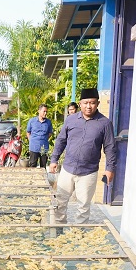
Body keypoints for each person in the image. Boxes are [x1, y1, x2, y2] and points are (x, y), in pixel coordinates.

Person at [49, 88, 117, 224]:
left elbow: (110, 147)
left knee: (83, 207)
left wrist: (110, 168)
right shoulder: (71, 120)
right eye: (85, 103)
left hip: (88, 172)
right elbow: (61, 140)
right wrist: (54, 159)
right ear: (80, 104)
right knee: (59, 203)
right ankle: (57, 232)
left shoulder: (105, 123)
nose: (88, 106)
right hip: (68, 169)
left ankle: (78, 239)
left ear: (97, 103)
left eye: (92, 103)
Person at [26, 104, 53, 168]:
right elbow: (28, 132)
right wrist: (32, 141)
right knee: (33, 165)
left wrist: (44, 139)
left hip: (44, 147)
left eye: (46, 111)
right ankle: (33, 178)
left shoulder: (48, 122)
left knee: (43, 166)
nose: (45, 113)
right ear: (39, 111)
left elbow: (50, 133)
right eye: (44, 111)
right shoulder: (32, 121)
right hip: (34, 147)